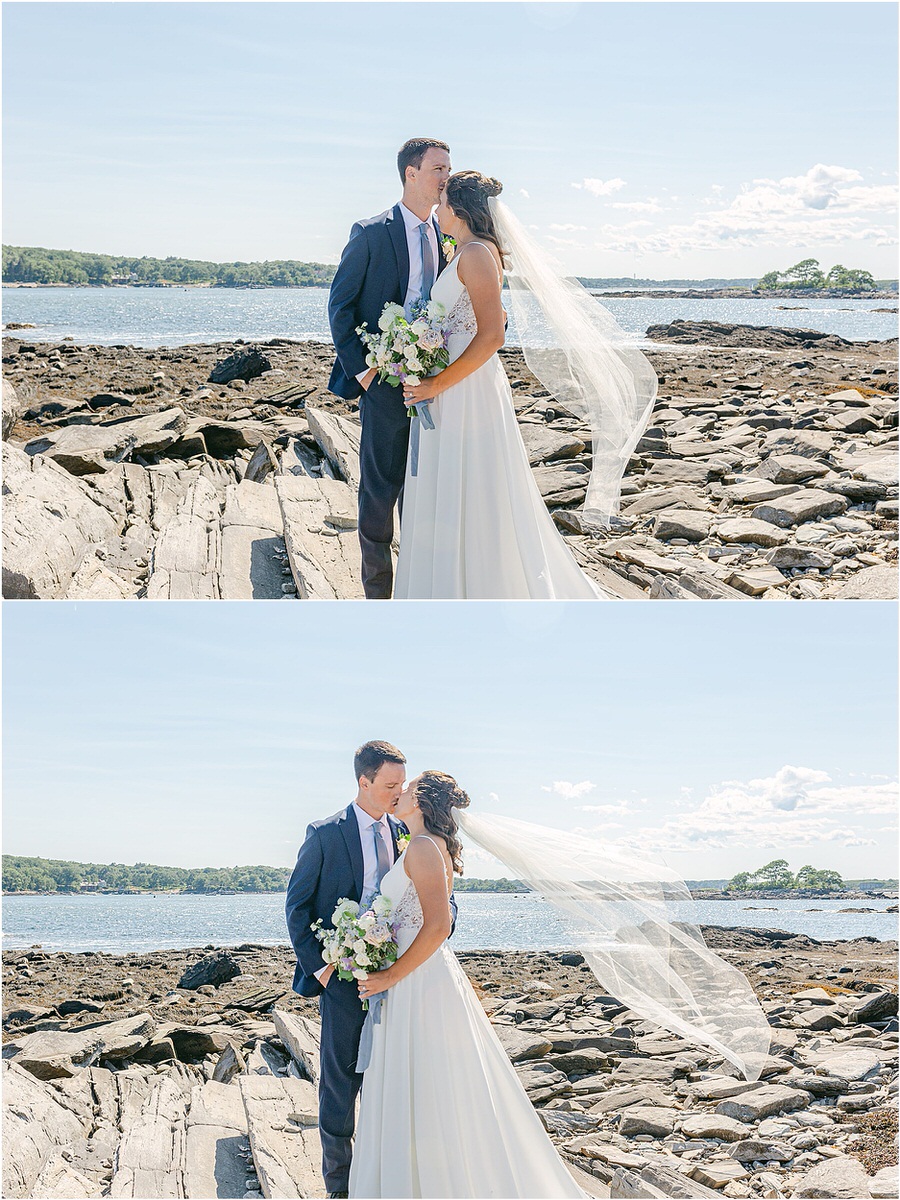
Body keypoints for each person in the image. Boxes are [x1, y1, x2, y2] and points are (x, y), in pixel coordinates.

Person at [393, 170, 658, 599]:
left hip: (466, 390)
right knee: (458, 483)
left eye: (442, 202)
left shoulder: (477, 254)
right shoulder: (465, 251)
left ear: (459, 210)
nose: (436, 209)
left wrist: (436, 382)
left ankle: (477, 587)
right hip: (453, 387)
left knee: (475, 485)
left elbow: (494, 335)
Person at [348, 771, 585, 1198]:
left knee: (425, 1080)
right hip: (418, 979)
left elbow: (438, 927)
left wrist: (389, 974)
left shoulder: (422, 847)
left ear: (421, 802)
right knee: (431, 1081)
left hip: (418, 983)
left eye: (409, 787)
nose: (399, 792)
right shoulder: (422, 845)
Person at [284, 741, 409, 1199]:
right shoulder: (324, 834)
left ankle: (381, 1178)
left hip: (401, 979)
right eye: (390, 784)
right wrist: (320, 968)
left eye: (401, 783)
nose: (399, 792)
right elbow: (296, 908)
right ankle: (339, 1188)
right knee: (340, 1083)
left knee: (392, 1077)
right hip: (341, 980)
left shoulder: (406, 832)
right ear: (364, 781)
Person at [328, 138, 451, 599]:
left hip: (437, 382)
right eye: (439, 168)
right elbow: (339, 306)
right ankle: (378, 597)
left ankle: (420, 589)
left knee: (429, 488)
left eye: (449, 168)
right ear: (411, 174)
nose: (446, 177)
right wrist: (363, 371)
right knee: (380, 492)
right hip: (382, 382)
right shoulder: (370, 232)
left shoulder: (449, 235)